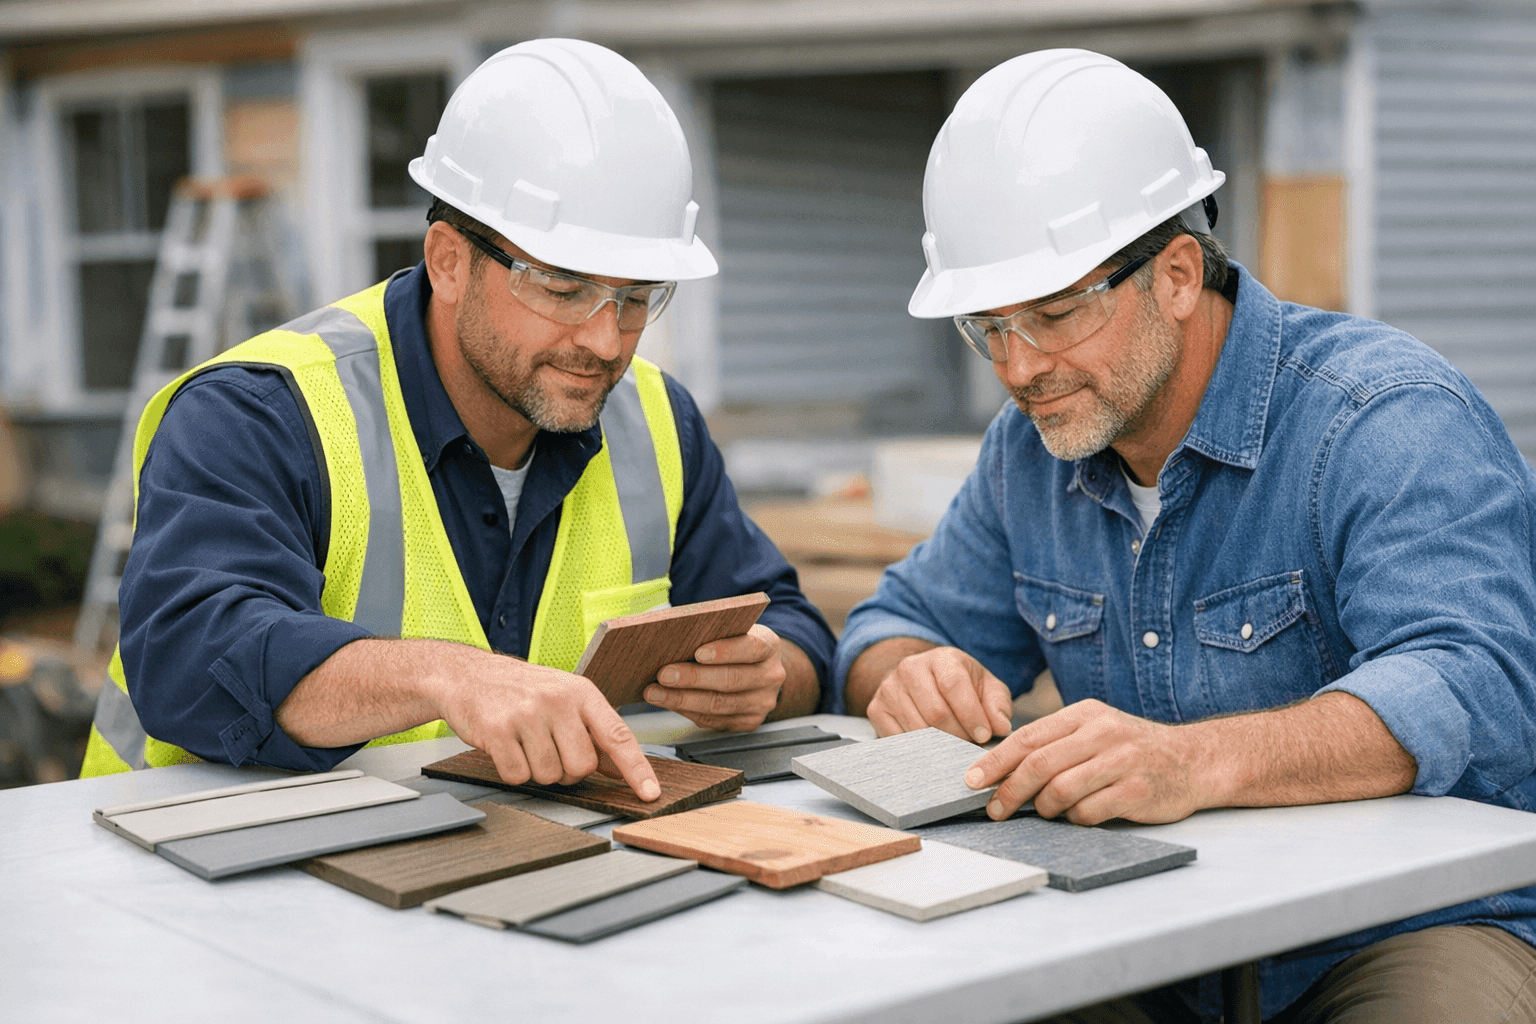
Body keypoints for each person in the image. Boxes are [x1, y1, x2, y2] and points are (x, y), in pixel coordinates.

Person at [836, 49, 1536, 1022]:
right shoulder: (1028, 452)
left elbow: (1473, 684)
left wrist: (1194, 761)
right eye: (986, 326)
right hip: (1147, 934)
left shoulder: (1382, 417)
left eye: (1051, 314)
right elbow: (887, 623)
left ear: (1173, 275)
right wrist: (908, 666)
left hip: (1408, 929)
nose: (1018, 365)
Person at [81, 38, 835, 802]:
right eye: (563, 288)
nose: (606, 341)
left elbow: (797, 631)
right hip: (186, 886)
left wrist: (768, 674)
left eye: (638, 297)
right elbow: (188, 658)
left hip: (498, 877)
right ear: (448, 261)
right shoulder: (259, 414)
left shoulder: (658, 421)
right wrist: (445, 675)